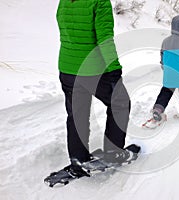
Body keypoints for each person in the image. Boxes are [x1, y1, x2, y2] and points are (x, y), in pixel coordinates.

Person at [56, 0, 131, 176]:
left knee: (76, 114)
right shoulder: (100, 2)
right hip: (91, 70)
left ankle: (78, 158)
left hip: (67, 68)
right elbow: (104, 38)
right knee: (120, 103)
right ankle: (114, 152)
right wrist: (114, 69)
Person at [143, 15, 179, 129]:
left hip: (169, 75)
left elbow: (162, 59)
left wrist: (167, 71)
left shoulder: (165, 41)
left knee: (165, 92)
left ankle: (158, 110)